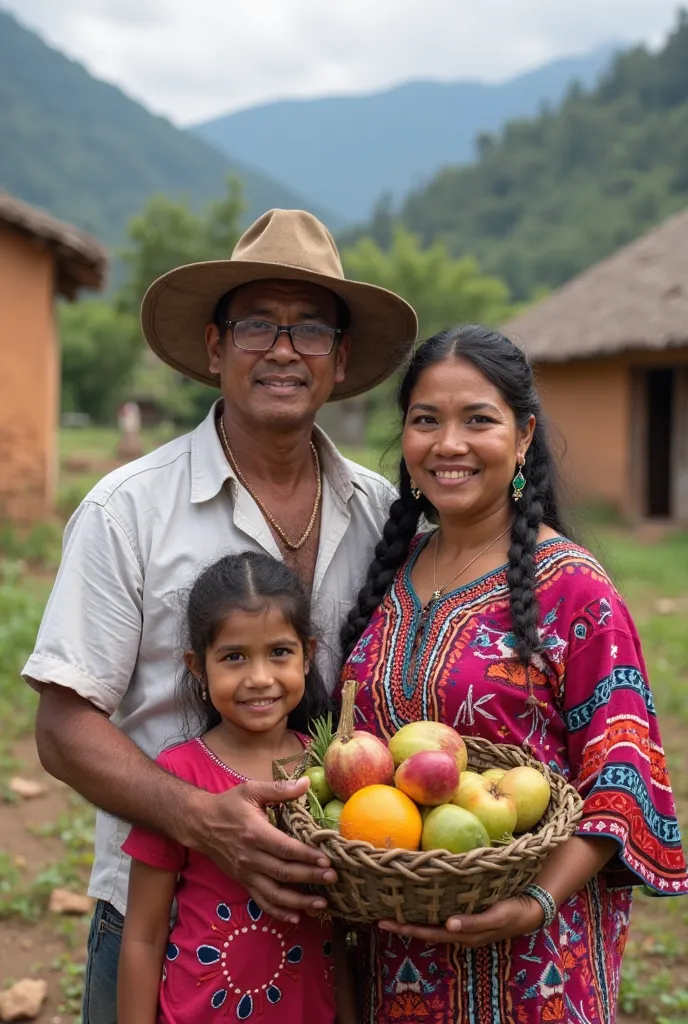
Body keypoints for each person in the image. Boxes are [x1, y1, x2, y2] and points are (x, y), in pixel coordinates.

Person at [22, 208, 417, 1023]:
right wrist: (201, 821)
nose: (282, 348)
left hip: (326, 923)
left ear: (340, 360)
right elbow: (62, 728)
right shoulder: (128, 511)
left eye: (310, 328)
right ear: (214, 348)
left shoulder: (384, 515)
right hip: (158, 919)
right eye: (256, 326)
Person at [338, 325, 688, 1024]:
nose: (448, 445)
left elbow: (622, 775)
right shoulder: (390, 571)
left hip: (537, 973)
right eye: (425, 420)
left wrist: (535, 903)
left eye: (479, 420)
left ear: (524, 435)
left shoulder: (575, 591)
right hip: (394, 956)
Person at [118, 551, 355, 1024]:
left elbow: (341, 931)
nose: (260, 678)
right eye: (234, 657)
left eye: (279, 653)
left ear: (308, 655)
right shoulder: (178, 778)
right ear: (198, 667)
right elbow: (143, 935)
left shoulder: (327, 773)